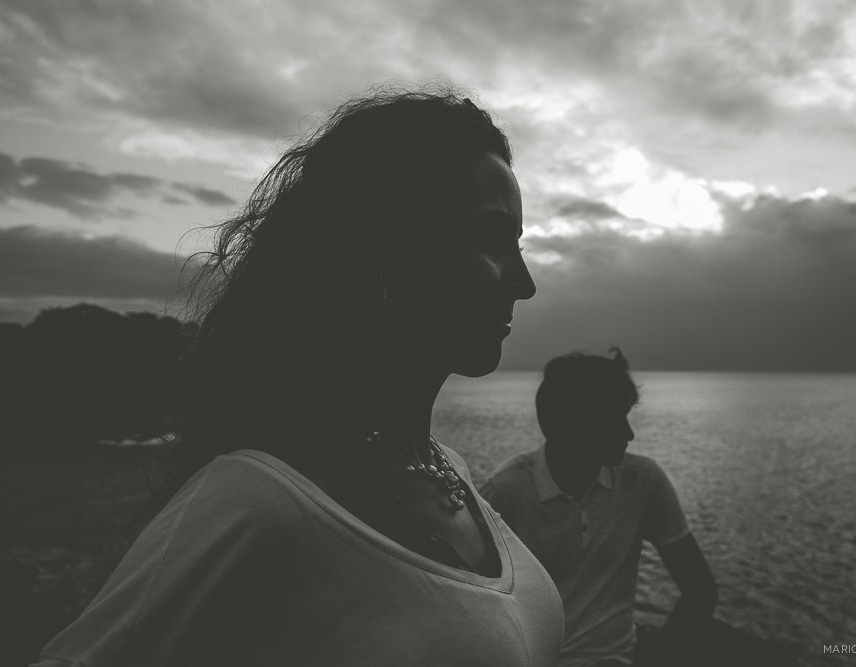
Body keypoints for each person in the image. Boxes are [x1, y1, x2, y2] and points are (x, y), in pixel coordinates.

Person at [30, 86, 564, 667]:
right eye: (492, 238)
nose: (524, 281)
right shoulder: (256, 499)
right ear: (389, 248)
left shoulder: (448, 472)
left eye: (518, 244)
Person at [480, 348, 717, 667]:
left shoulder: (642, 480)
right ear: (572, 424)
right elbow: (476, 607)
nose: (629, 433)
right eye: (613, 419)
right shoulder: (506, 494)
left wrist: (662, 657)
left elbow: (700, 589)